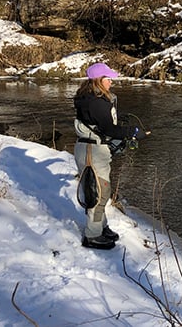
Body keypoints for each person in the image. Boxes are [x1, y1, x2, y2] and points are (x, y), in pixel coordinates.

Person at [73, 62, 149, 250]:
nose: (111, 82)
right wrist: (133, 131)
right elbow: (109, 129)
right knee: (99, 193)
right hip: (93, 152)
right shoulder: (97, 102)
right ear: (99, 80)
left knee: (99, 190)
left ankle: (101, 226)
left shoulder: (90, 98)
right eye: (108, 79)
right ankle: (92, 236)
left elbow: (102, 125)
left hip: (92, 149)